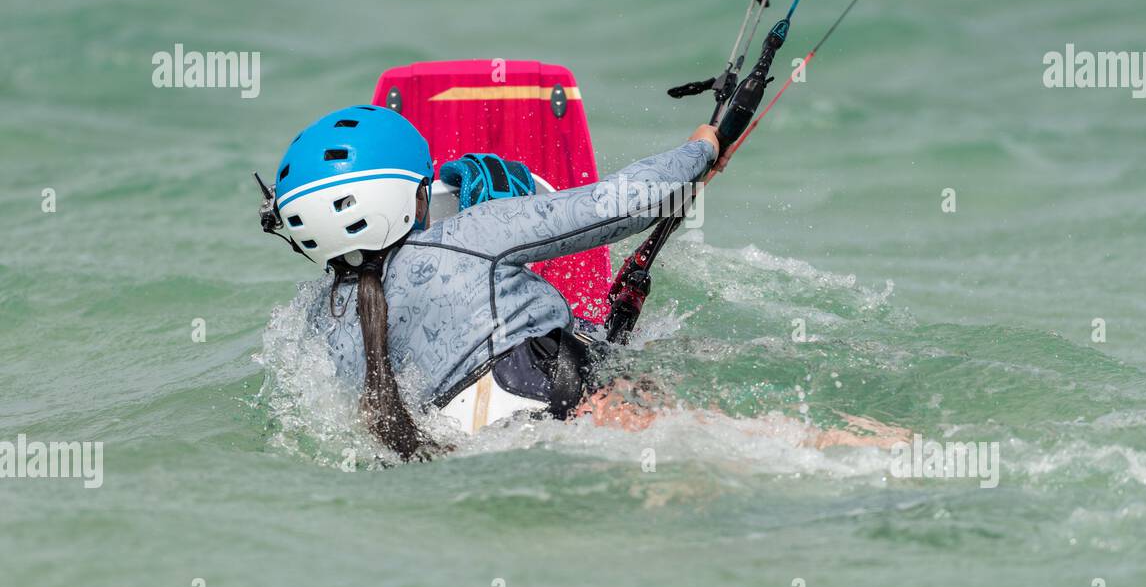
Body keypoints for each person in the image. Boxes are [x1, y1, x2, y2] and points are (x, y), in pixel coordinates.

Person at [261, 104, 907, 459]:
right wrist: (702, 150)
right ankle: (878, 450)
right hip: (550, 388)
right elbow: (618, 205)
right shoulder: (467, 234)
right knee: (762, 444)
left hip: (471, 441)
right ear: (408, 199)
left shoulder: (316, 321)